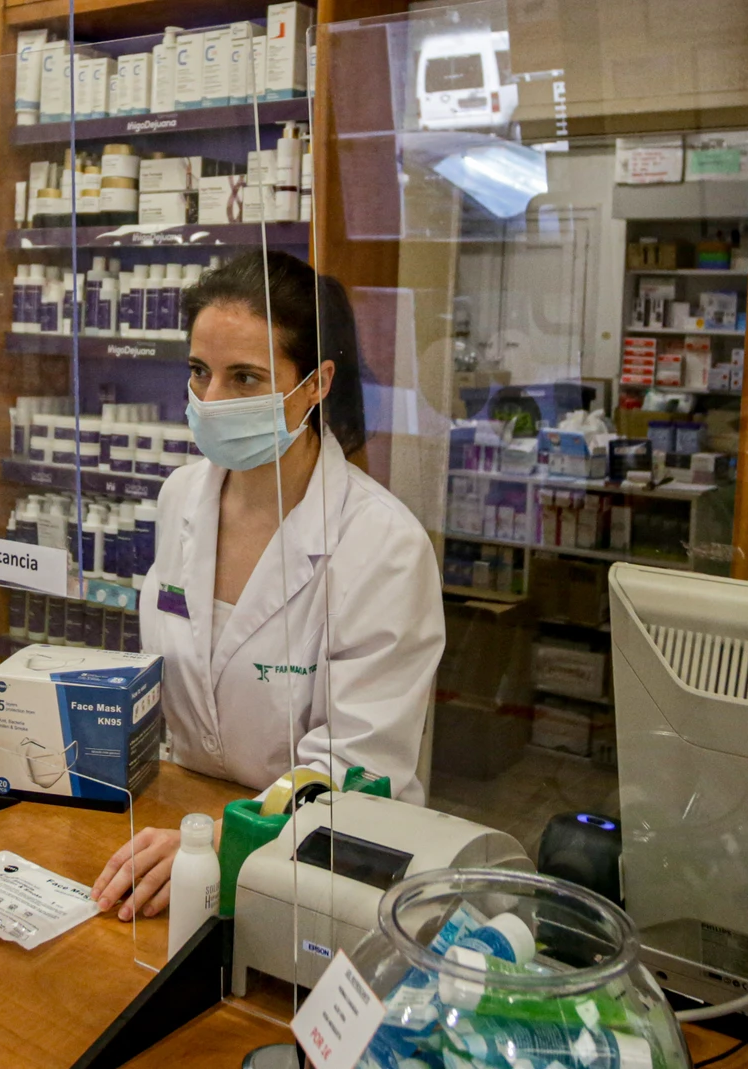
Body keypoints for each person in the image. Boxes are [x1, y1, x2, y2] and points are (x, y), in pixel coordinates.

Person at [90, 251, 445, 921]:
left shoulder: (382, 546)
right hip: (184, 822)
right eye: (200, 372)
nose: (212, 401)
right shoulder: (181, 496)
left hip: (322, 862)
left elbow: (360, 767)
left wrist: (221, 839)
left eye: (245, 377)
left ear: (316, 384)